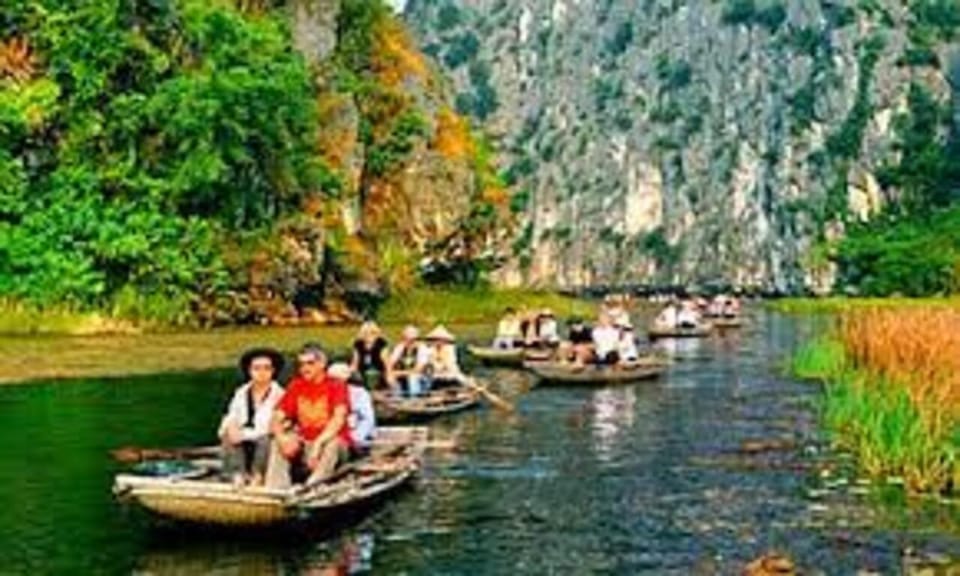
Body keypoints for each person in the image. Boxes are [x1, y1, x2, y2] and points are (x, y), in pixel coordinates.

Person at [266, 343, 352, 488]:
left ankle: (313, 485)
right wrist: (282, 438)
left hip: (331, 443)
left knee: (333, 444)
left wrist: (318, 444)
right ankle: (277, 488)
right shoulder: (296, 386)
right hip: (306, 442)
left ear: (322, 364)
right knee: (279, 442)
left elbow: (338, 419)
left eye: (310, 363)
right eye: (301, 364)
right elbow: (276, 416)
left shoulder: (336, 386)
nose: (305, 368)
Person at [218, 348, 285, 486]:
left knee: (266, 440)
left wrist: (246, 435)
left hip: (264, 437)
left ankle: (258, 476)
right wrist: (231, 427)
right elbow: (232, 415)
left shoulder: (280, 394)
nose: (261, 373)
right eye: (257, 368)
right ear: (249, 371)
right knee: (228, 434)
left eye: (267, 368)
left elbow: (273, 426)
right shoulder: (241, 392)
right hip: (243, 436)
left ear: (273, 371)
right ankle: (238, 475)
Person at [329, 362, 377, 456]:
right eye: (330, 379)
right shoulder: (327, 392)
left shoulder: (359, 393)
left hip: (355, 436)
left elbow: (368, 420)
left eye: (336, 379)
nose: (333, 382)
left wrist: (355, 438)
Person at [387, 325, 428, 396]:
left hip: (421, 377)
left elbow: (418, 369)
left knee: (412, 378)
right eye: (406, 338)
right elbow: (390, 362)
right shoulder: (400, 347)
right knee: (391, 377)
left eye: (412, 339)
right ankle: (397, 398)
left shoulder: (422, 348)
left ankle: (414, 400)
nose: (409, 341)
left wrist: (398, 373)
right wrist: (389, 372)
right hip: (404, 374)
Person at [350, 321, 390, 389]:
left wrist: (388, 374)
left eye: (372, 333)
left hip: (378, 372)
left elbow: (386, 362)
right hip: (362, 371)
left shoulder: (381, 343)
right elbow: (355, 362)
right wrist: (350, 371)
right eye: (366, 333)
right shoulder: (358, 344)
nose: (369, 335)